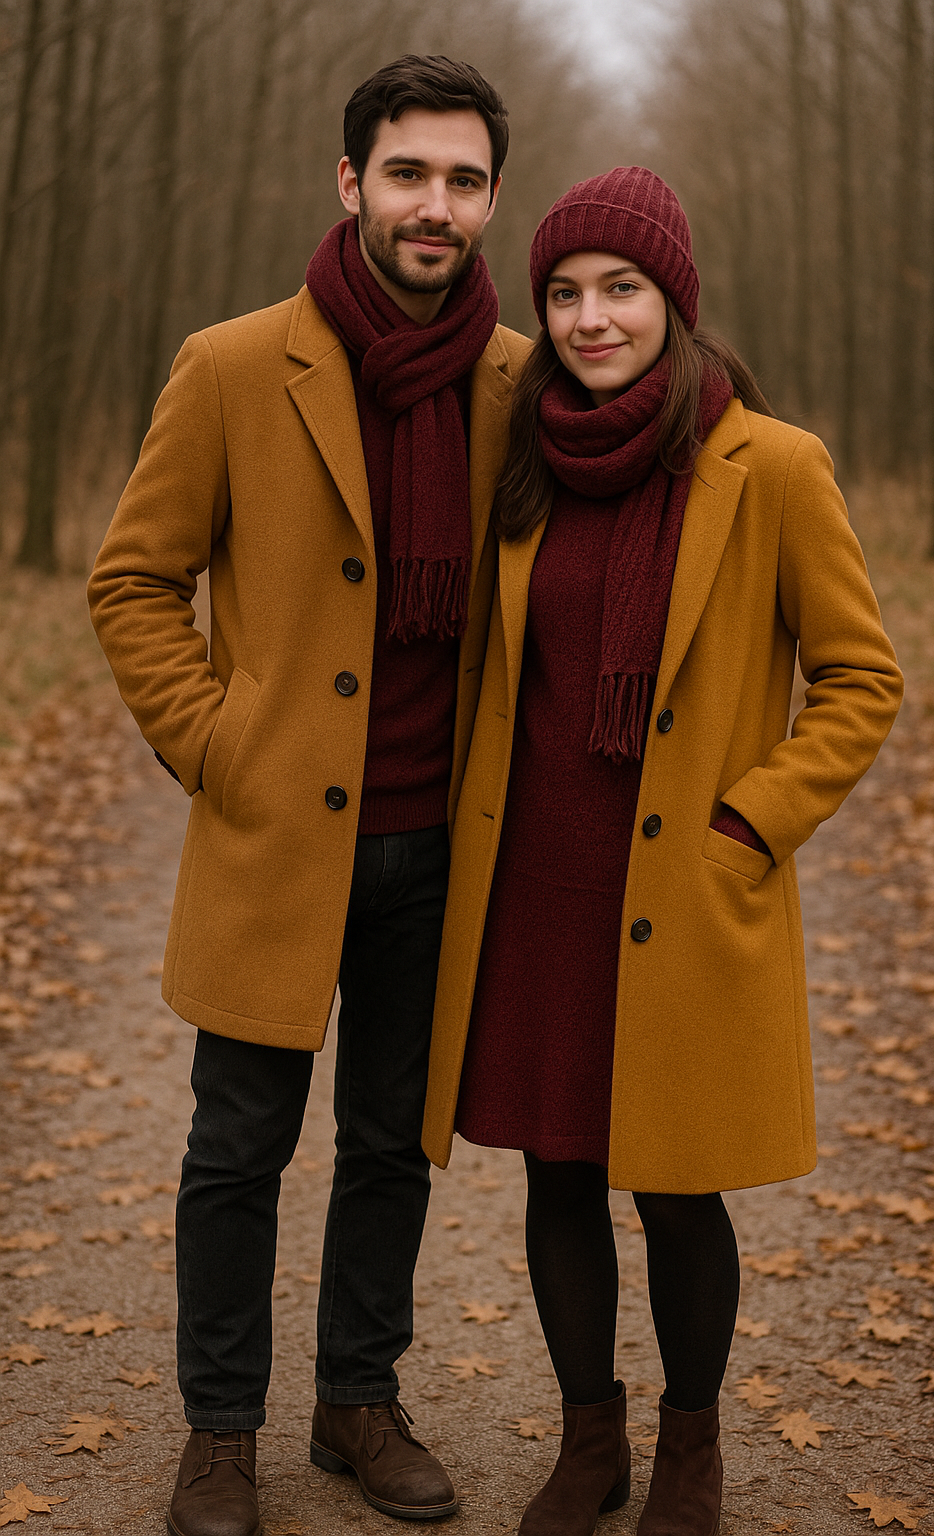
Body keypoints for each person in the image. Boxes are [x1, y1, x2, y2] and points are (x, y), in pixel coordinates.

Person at [421, 166, 904, 1536]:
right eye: (566, 293)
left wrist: (750, 825)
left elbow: (863, 679)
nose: (590, 318)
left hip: (683, 888)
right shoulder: (522, 459)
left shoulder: (775, 466)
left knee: (680, 1193)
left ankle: (691, 1449)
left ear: (673, 301)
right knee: (557, 1174)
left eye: (620, 288)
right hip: (538, 888)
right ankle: (592, 1443)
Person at [88, 54, 531, 1536]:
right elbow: (134, 581)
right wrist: (218, 747)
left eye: (463, 179)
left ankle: (358, 1401)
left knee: (391, 1145)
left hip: (437, 842)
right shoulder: (232, 366)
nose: (435, 205)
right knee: (236, 1152)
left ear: (492, 199)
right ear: (351, 183)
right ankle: (221, 1433)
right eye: (408, 173)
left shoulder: (516, 382)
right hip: (276, 834)